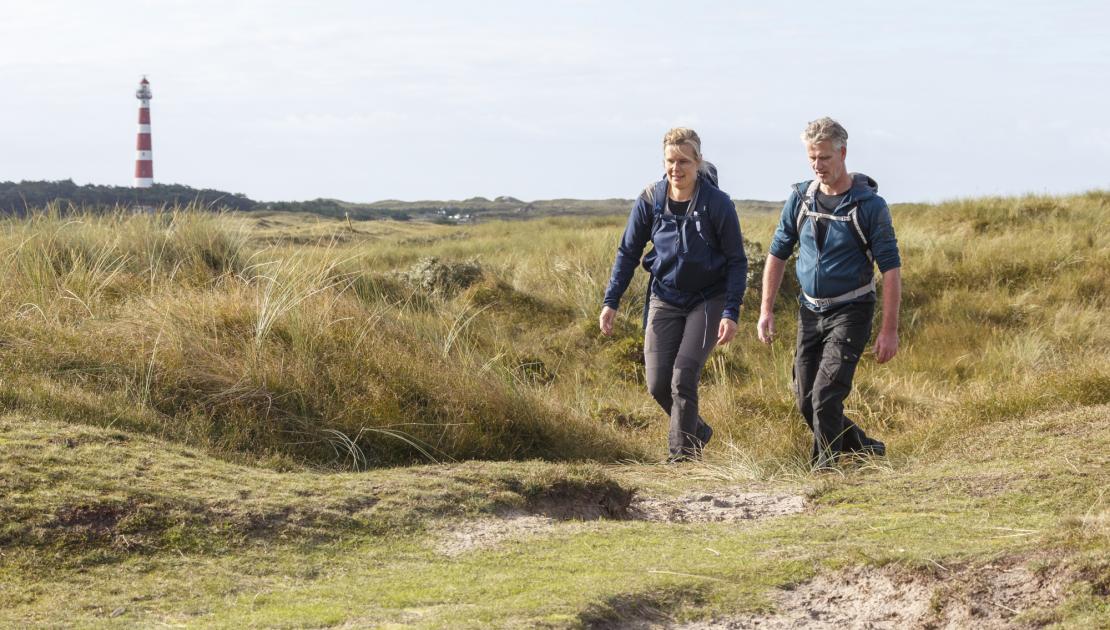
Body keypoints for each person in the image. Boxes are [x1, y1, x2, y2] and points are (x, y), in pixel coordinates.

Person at [756, 117, 901, 468]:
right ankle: (865, 447)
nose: (818, 166)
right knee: (806, 399)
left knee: (825, 396)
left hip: (852, 311)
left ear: (843, 153)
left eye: (824, 158)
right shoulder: (800, 199)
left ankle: (825, 470)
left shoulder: (870, 207)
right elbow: (777, 253)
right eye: (812, 158)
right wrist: (766, 310)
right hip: (809, 311)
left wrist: (889, 330)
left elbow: (891, 270)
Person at [600, 128, 748, 462]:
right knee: (657, 384)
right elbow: (627, 253)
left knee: (683, 376)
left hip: (708, 298)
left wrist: (731, 311)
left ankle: (682, 457)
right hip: (665, 296)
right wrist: (611, 301)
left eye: (683, 161)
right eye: (670, 161)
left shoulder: (717, 204)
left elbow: (738, 261)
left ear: (697, 162)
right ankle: (696, 429)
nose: (676, 168)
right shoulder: (651, 199)